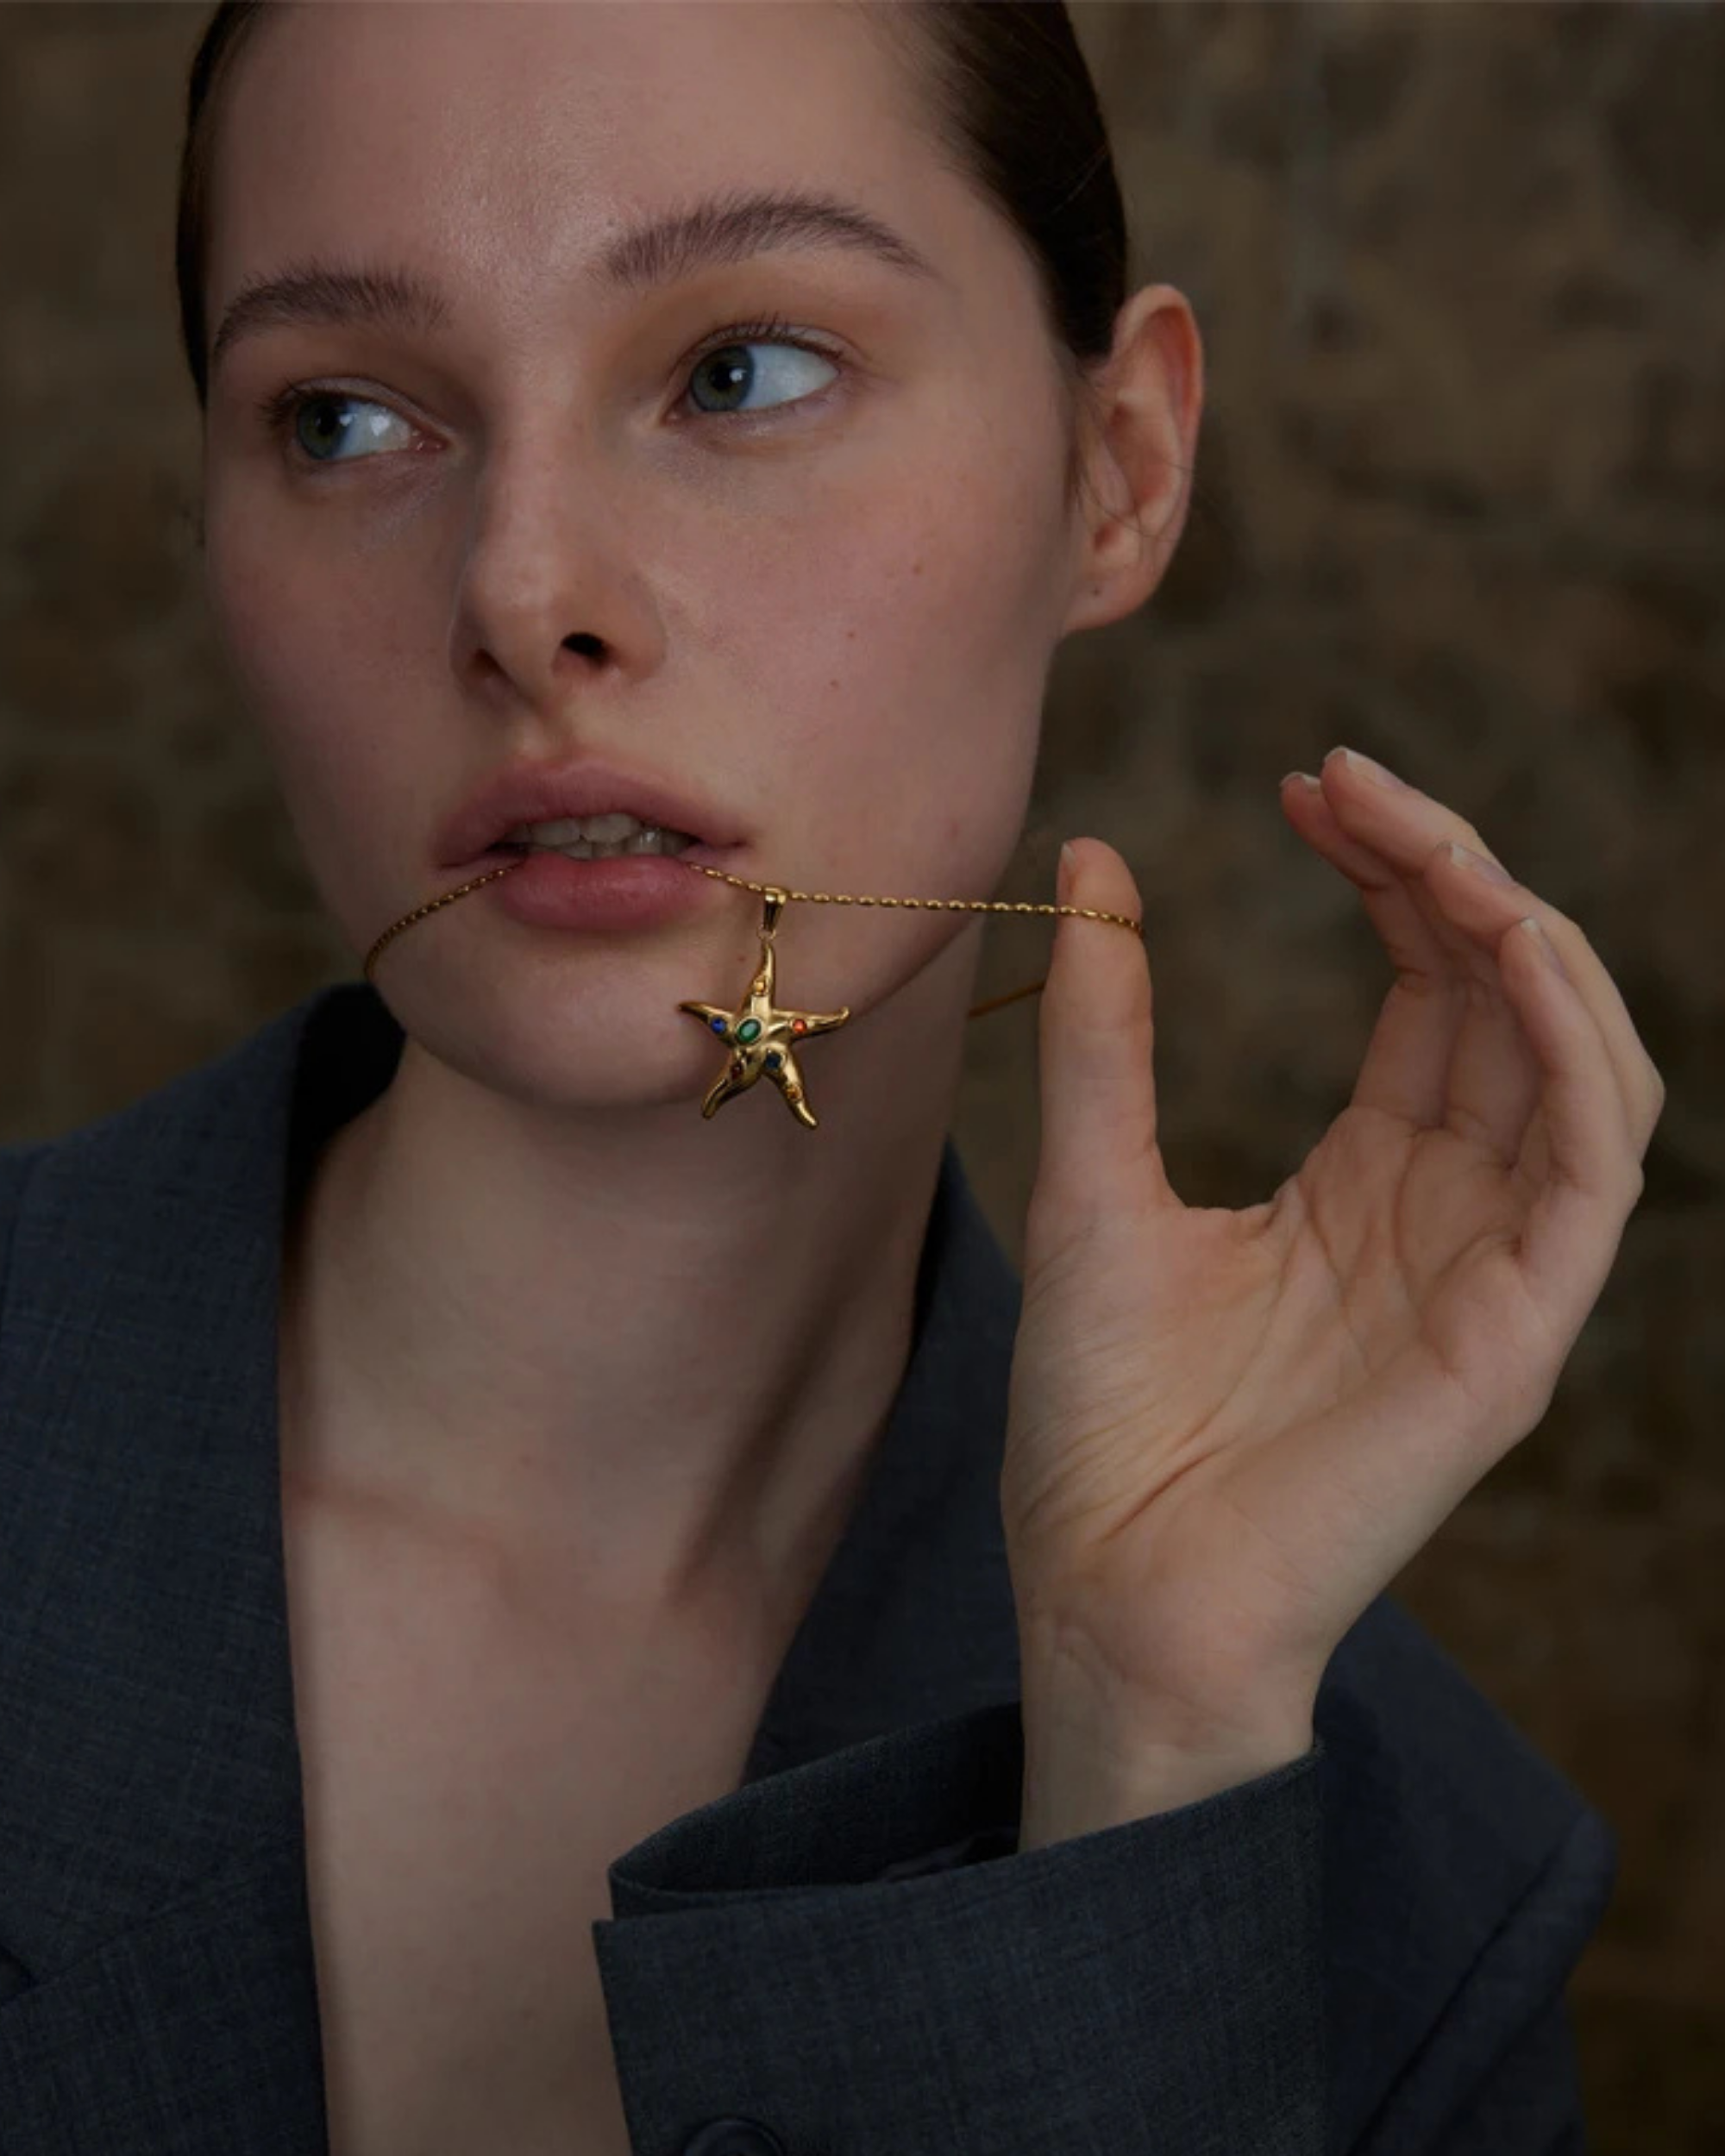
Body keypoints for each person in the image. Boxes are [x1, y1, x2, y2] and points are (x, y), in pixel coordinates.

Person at [0, 3, 1664, 2152]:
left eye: (740, 372)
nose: (523, 590)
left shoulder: (1413, 1910)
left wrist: (1149, 1757)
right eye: (342, 416)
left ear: (1119, 468)